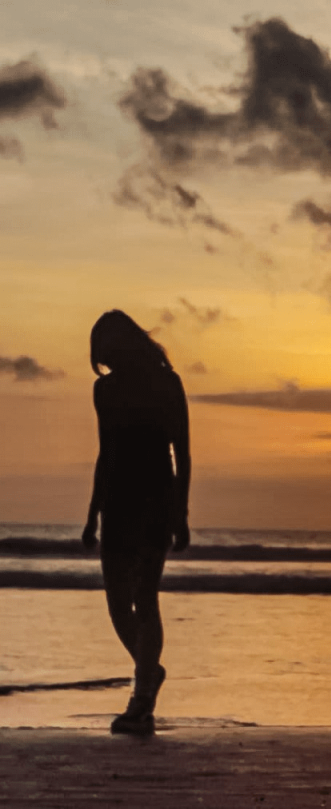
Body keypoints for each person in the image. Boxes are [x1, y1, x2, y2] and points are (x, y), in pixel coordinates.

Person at [82, 310, 191, 735]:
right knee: (115, 603)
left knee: (145, 598)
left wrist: (181, 513)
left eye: (107, 346)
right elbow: (105, 452)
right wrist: (92, 514)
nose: (103, 357)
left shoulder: (168, 383)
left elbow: (182, 452)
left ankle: (142, 696)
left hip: (155, 500)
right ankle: (149, 669)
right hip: (117, 502)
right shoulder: (103, 390)